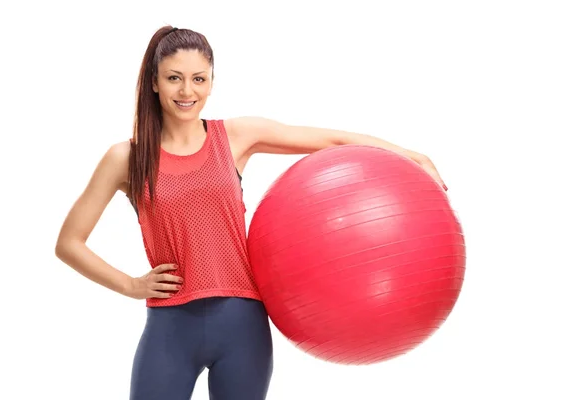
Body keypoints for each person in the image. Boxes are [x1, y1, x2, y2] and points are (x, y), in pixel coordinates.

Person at [54, 25, 447, 400]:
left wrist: (413, 157)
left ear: (211, 81)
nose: (187, 91)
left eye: (199, 79)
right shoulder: (127, 157)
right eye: (174, 78)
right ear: (154, 81)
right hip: (170, 327)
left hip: (242, 326)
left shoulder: (236, 136)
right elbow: (69, 243)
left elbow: (334, 140)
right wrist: (131, 285)